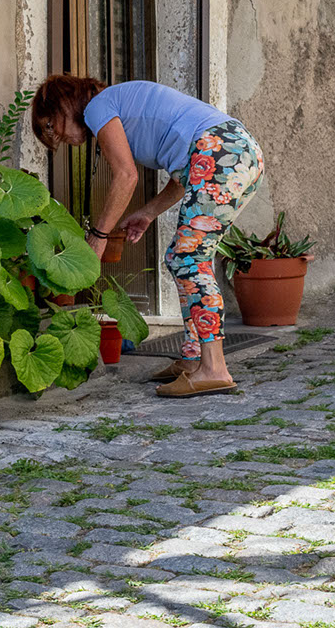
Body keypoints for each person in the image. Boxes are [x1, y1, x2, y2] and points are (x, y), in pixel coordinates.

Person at [29, 75, 264, 397]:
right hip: (237, 152)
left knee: (189, 258)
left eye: (50, 125)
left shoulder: (98, 107)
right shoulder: (119, 104)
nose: (57, 136)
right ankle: (193, 359)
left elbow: (126, 176)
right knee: (180, 257)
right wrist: (148, 213)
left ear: (64, 103)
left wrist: (98, 236)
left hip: (220, 151)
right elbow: (183, 175)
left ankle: (214, 369)